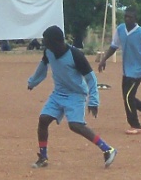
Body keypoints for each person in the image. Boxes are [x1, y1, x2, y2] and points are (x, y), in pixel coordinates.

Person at [29, 24, 115, 170]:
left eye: (47, 41)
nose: (45, 44)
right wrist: (33, 81)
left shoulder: (76, 55)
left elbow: (91, 79)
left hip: (75, 94)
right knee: (43, 119)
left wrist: (93, 100)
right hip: (58, 93)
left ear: (57, 42)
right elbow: (42, 67)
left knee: (75, 125)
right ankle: (43, 157)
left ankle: (108, 149)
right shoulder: (49, 51)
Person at [96, 6, 141, 134]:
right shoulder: (120, 29)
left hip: (137, 71)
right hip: (126, 70)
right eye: (125, 16)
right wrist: (104, 59)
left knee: (128, 96)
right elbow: (114, 46)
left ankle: (135, 125)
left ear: (135, 18)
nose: (127, 19)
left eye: (130, 17)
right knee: (128, 97)